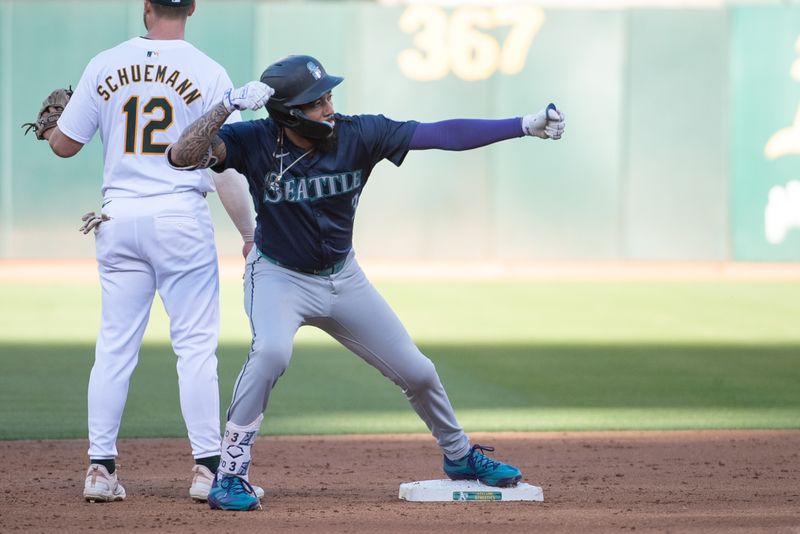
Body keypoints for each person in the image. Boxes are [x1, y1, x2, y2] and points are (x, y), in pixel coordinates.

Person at [168, 54, 566, 511]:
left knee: (419, 371)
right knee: (271, 353)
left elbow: (443, 134)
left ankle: (459, 455)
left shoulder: (359, 133)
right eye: (316, 103)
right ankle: (230, 475)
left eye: (329, 97)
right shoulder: (254, 139)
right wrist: (226, 107)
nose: (328, 109)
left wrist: (523, 124)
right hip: (278, 275)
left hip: (343, 276)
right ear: (288, 112)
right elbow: (183, 156)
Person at [26, 0, 264, 503]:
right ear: (192, 7)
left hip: (117, 218)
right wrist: (247, 232)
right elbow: (222, 168)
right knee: (195, 349)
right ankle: (207, 472)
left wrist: (52, 128)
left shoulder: (105, 63)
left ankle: (99, 469)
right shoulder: (209, 71)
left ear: (146, 7)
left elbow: (64, 145)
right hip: (179, 216)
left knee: (114, 347)